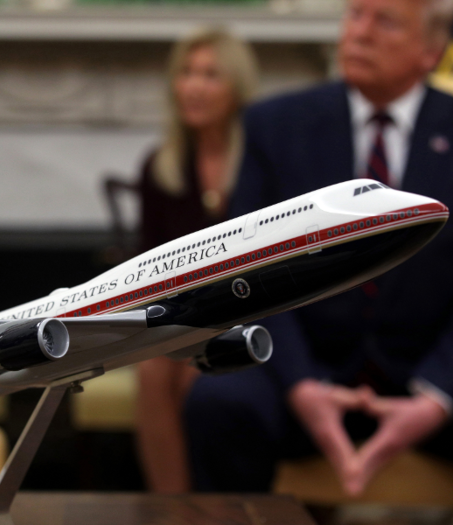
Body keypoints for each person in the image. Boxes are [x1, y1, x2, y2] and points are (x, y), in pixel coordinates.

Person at [184, 0, 453, 496]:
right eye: (355, 15)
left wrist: (438, 396)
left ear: (431, 50)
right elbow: (249, 270)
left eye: (386, 20)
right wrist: (303, 385)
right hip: (302, 368)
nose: (360, 33)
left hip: (429, 372)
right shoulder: (275, 124)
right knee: (218, 401)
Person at [134, 28, 258, 493]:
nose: (193, 86)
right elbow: (147, 265)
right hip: (181, 316)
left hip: (253, 311)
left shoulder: (261, 161)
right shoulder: (160, 167)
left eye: (209, 74)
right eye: (185, 73)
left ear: (238, 85)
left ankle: (212, 506)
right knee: (154, 368)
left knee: (199, 369)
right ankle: (173, 508)